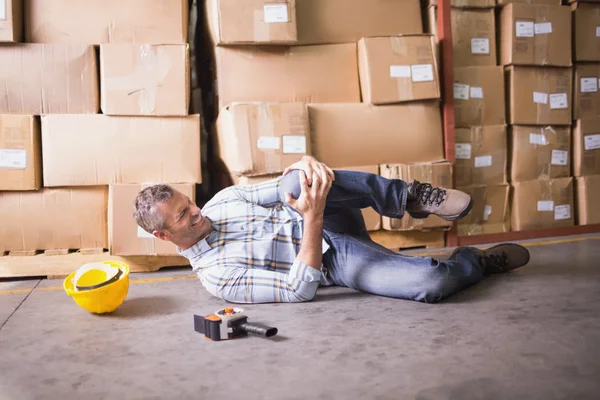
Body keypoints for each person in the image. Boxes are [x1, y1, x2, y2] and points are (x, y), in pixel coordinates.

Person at [133, 156, 530, 304]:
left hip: (329, 213)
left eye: (190, 203)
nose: (199, 212)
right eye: (185, 216)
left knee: (295, 182)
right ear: (164, 236)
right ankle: (474, 262)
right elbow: (298, 290)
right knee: (431, 284)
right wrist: (313, 217)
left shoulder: (219, 203)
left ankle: (409, 197)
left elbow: (284, 186)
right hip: (333, 261)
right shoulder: (217, 277)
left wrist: (304, 164)